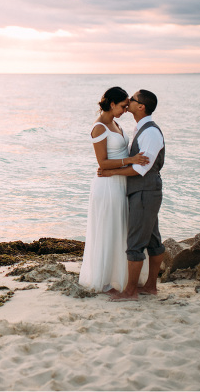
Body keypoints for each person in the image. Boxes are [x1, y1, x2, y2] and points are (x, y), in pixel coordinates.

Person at [78, 87, 149, 294]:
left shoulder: (115, 123)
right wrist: (131, 160)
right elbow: (102, 163)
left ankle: (121, 278)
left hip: (120, 183)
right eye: (122, 106)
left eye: (127, 106)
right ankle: (105, 281)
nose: (125, 110)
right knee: (108, 230)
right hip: (107, 185)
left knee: (120, 230)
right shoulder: (99, 128)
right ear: (111, 104)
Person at [98, 89, 166, 302]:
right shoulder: (141, 129)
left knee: (135, 242)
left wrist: (112, 172)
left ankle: (130, 291)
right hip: (144, 191)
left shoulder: (151, 133)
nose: (128, 103)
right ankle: (150, 287)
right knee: (153, 239)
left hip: (145, 191)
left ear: (141, 106)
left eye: (132, 100)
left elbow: (141, 169)